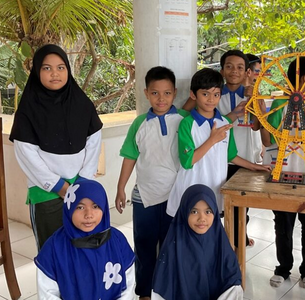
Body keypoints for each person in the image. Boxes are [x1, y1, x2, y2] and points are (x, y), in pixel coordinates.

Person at [9, 44, 103, 250]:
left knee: (84, 248)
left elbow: (94, 138)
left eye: (61, 67)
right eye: (47, 68)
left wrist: (83, 181)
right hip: (47, 193)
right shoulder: (28, 109)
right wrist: (60, 187)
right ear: (36, 71)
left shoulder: (81, 102)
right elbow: (25, 152)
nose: (55, 74)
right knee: (53, 250)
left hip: (81, 186)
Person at [114, 66, 188, 299]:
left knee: (171, 247)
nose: (161, 98)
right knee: (144, 247)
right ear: (146, 93)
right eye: (155, 93)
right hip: (143, 196)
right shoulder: (139, 124)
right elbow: (130, 157)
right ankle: (144, 292)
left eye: (167, 93)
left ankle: (167, 289)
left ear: (175, 93)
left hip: (174, 197)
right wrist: (120, 188)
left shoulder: (184, 121)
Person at [166, 68, 270, 217]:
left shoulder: (225, 122)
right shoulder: (187, 124)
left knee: (210, 230)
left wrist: (254, 166)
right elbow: (187, 161)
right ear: (193, 95)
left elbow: (231, 155)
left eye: (216, 94)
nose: (211, 99)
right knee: (189, 233)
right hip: (190, 190)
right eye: (205, 94)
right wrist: (212, 140)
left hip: (215, 190)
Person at [260, 57, 305, 289]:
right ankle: (283, 268)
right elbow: (267, 139)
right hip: (282, 172)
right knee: (283, 224)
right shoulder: (280, 106)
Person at [35, 179, 135, 300]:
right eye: (80, 207)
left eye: (95, 206)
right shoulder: (54, 247)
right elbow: (47, 293)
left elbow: (128, 284)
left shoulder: (117, 241)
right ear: (69, 208)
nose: (89, 214)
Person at [152, 184, 243, 300]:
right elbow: (162, 288)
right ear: (184, 212)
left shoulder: (221, 244)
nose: (202, 218)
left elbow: (232, 284)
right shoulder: (173, 247)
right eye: (194, 212)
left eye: (208, 211)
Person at [217, 50, 263, 248]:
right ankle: (228, 243)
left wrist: (255, 97)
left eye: (239, 67)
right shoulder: (215, 94)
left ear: (247, 72)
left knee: (242, 205)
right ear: (222, 71)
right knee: (224, 204)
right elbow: (212, 124)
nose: (234, 71)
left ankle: (240, 236)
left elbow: (258, 126)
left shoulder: (254, 94)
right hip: (221, 158)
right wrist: (233, 114)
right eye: (229, 66)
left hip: (246, 158)